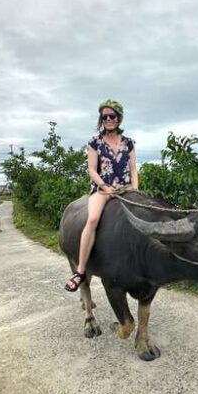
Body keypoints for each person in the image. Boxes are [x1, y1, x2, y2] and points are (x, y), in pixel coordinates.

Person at [65, 99, 138, 291]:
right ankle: (80, 270)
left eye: (111, 116)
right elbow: (91, 169)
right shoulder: (94, 142)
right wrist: (105, 187)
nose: (108, 119)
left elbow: (133, 169)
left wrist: (135, 189)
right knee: (92, 220)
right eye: (104, 116)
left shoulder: (129, 143)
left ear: (119, 118)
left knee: (143, 216)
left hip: (125, 189)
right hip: (102, 189)